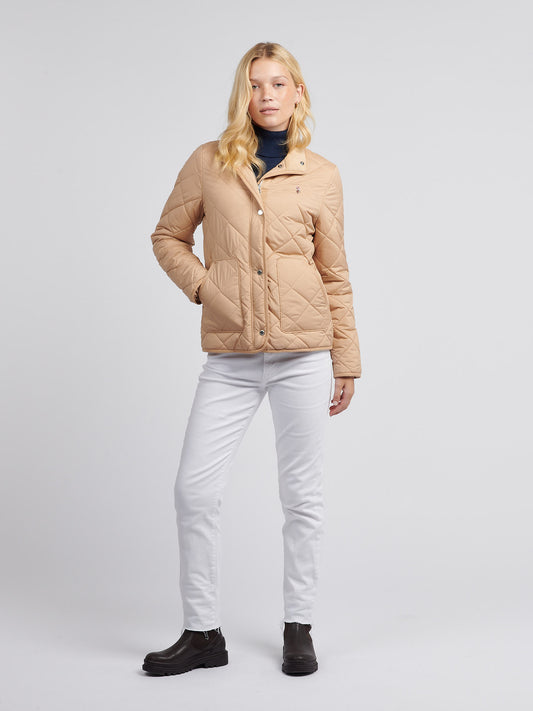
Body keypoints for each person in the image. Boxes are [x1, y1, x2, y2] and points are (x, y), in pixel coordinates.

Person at [142, 41, 362, 677]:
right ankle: (202, 634)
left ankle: (298, 627)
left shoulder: (323, 174)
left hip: (304, 354)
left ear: (298, 93)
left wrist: (346, 359)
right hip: (232, 357)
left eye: (279, 83)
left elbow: (335, 272)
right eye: (255, 85)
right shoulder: (208, 162)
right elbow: (168, 236)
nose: (267, 95)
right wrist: (208, 288)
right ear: (243, 95)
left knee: (301, 496)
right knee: (194, 490)